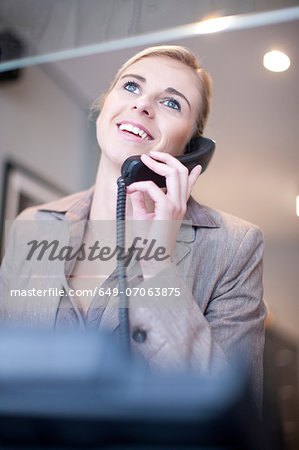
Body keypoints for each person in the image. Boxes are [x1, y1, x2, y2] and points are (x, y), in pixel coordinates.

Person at [0, 45, 266, 409]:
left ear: (191, 147)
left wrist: (157, 264)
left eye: (172, 103)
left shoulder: (235, 246)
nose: (142, 105)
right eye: (130, 86)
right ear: (104, 106)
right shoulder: (33, 225)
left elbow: (237, 409)